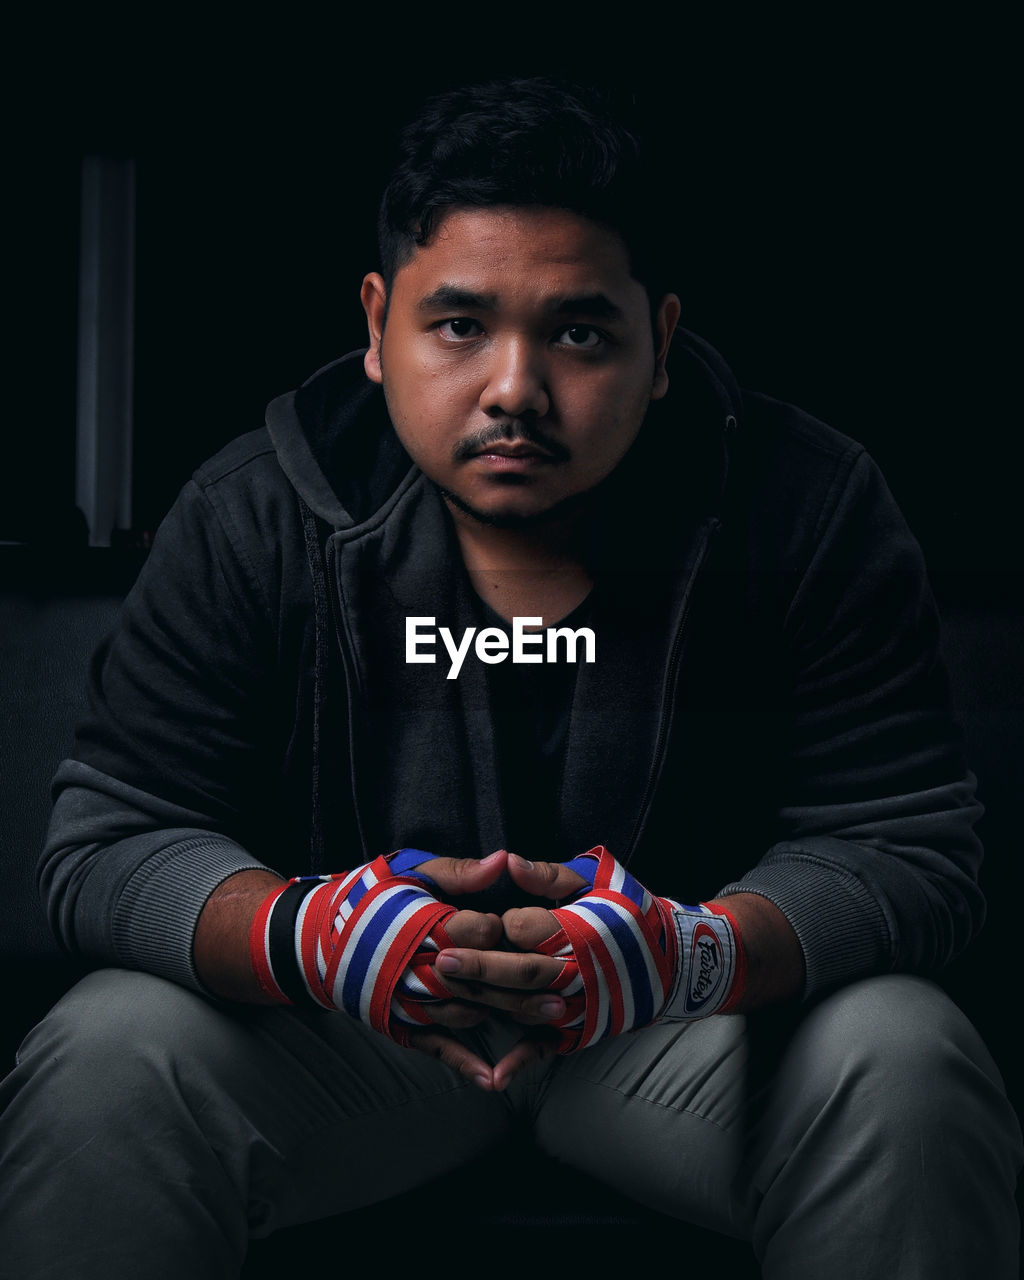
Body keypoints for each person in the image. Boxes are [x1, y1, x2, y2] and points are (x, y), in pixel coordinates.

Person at [0, 77, 1019, 1278]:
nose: (513, 390)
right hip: (354, 1037)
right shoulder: (248, 514)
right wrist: (309, 932)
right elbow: (108, 844)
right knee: (109, 1047)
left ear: (662, 346)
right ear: (376, 328)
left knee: (905, 1047)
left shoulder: (807, 503)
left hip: (689, 1036)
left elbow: (906, 849)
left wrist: (688, 951)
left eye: (579, 331)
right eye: (459, 324)